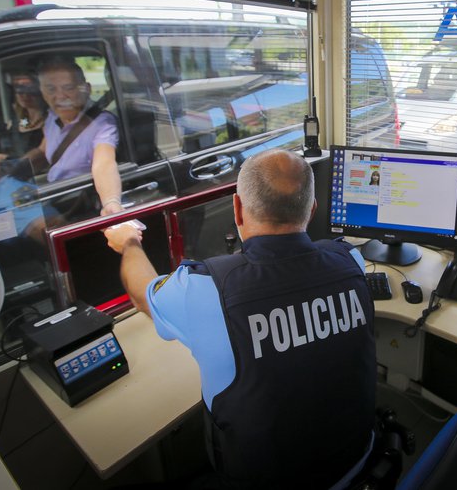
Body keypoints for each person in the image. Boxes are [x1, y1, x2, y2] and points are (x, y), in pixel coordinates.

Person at [104, 149, 376, 490]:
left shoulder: (205, 288)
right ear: (312, 209)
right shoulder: (352, 261)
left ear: (237, 209)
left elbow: (142, 293)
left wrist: (128, 242)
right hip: (357, 460)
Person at [24, 57, 124, 215]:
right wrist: (10, 171)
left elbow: (104, 164)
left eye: (68, 88)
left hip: (74, 202)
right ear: (42, 93)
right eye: (51, 89)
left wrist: (111, 202)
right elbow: (43, 151)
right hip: (53, 193)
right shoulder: (51, 116)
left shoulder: (102, 123)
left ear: (86, 89)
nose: (60, 96)